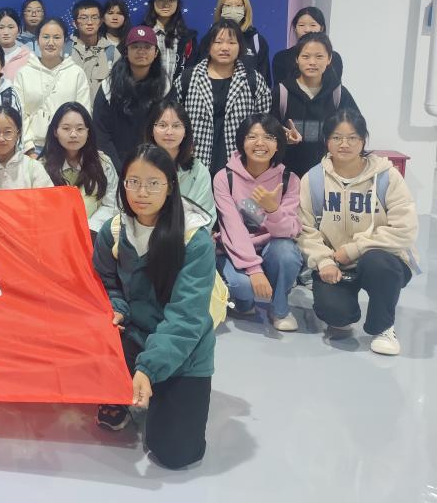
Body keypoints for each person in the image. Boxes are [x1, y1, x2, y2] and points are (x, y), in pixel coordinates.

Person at [92, 144, 215, 469]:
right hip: (132, 336)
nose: (141, 192)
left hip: (184, 348)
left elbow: (186, 317)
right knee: (93, 327)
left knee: (175, 453)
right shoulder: (114, 230)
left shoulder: (194, 239)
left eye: (153, 183)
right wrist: (117, 305)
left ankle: (153, 383)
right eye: (133, 182)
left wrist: (148, 368)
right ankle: (121, 392)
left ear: (170, 186)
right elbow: (105, 282)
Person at [297, 110, 419, 355]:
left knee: (377, 263)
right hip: (336, 263)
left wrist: (355, 249)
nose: (344, 144)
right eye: (337, 137)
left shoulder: (386, 177)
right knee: (336, 316)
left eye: (352, 137)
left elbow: (405, 229)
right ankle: (344, 312)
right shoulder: (313, 180)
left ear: (363, 140)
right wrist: (323, 261)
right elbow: (305, 229)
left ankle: (383, 327)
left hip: (382, 259)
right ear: (326, 141)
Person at [214, 114, 303, 330]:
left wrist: (273, 209)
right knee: (243, 287)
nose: (260, 143)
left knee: (286, 252)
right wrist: (254, 270)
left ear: (278, 144)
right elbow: (233, 228)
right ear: (241, 141)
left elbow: (289, 231)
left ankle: (280, 309)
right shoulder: (225, 177)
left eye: (269, 137)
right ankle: (244, 303)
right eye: (252, 136)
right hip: (235, 249)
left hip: (272, 246)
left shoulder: (289, 179)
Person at [177, 19, 272, 177]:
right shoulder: (189, 77)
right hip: (195, 160)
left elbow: (265, 122)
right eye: (218, 42)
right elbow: (174, 118)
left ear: (240, 46)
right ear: (209, 46)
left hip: (240, 161)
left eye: (232, 42)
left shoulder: (253, 79)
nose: (225, 48)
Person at [271, 33, 358, 177]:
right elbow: (267, 131)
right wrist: (282, 136)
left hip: (329, 175)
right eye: (306, 56)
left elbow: (356, 129)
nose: (312, 62)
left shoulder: (338, 94)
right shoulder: (281, 92)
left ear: (329, 59)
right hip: (287, 175)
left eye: (319, 56)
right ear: (297, 59)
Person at [93, 26, 171, 171]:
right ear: (126, 52)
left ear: (156, 52)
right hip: (114, 164)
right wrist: (119, 169)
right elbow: (101, 132)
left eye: (147, 47)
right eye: (135, 46)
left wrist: (155, 163)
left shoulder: (165, 87)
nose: (141, 51)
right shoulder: (108, 86)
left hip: (154, 163)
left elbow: (168, 129)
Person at [13, 18, 90, 155]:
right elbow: (18, 113)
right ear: (37, 40)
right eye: (46, 37)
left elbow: (84, 114)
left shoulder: (76, 73)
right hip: (33, 148)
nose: (51, 42)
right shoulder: (23, 73)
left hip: (67, 148)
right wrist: (29, 148)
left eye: (57, 37)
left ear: (65, 41)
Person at [42, 102, 117, 231]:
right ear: (55, 131)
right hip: (53, 233)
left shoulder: (104, 164)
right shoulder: (41, 167)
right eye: (66, 128)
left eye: (80, 129)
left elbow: (111, 205)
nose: (73, 134)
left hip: (93, 233)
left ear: (88, 132)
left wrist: (88, 228)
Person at [145, 99, 215, 227]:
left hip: (189, 235)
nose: (169, 132)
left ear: (185, 132)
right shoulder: (140, 165)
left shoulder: (199, 172)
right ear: (151, 130)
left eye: (176, 126)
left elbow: (206, 218)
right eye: (162, 125)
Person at [201, 0, 272, 85]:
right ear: (221, 9)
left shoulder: (257, 41)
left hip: (248, 93)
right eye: (228, 5)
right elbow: (200, 73)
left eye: (238, 5)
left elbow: (265, 81)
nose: (233, 9)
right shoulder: (209, 38)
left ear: (245, 9)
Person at [272, 6, 344, 85]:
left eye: (313, 25)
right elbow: (279, 89)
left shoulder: (335, 58)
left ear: (321, 28)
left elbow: (336, 88)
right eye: (301, 25)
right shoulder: (281, 57)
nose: (307, 30)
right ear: (295, 28)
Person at [143, 0, 197, 82]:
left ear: (178, 4)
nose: (166, 4)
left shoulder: (188, 37)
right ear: (153, 2)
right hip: (148, 90)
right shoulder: (142, 33)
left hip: (178, 91)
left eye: (171, 0)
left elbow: (191, 71)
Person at [69, 0, 112, 98]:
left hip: (101, 108)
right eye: (84, 18)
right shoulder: (64, 50)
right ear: (74, 23)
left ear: (101, 21)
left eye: (94, 17)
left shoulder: (111, 52)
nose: (89, 22)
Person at [0, 7, 31, 82]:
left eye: (11, 27)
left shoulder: (29, 58)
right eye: (1, 27)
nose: (6, 32)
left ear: (19, 29)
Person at [99, 0, 131, 66]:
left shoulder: (131, 41)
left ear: (125, 18)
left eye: (119, 13)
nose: (115, 18)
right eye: (110, 13)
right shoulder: (95, 40)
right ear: (103, 17)